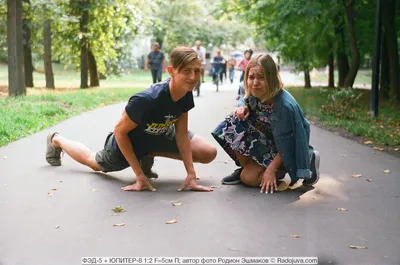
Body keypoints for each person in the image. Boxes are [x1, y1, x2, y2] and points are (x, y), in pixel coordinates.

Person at [46, 46, 217, 192]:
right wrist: (139, 176)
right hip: (129, 141)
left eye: (196, 71)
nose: (193, 77)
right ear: (171, 71)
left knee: (208, 152)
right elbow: (120, 132)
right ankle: (56, 139)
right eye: (186, 71)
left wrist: (191, 174)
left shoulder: (185, 92)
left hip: (158, 133)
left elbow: (181, 135)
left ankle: (148, 154)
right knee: (94, 163)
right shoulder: (146, 100)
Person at [211, 54, 320, 194]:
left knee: (248, 178)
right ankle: (249, 167)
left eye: (261, 77)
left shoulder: (285, 106)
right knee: (234, 120)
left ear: (272, 78)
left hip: (286, 147)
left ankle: (308, 158)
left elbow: (289, 141)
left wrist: (271, 169)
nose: (255, 82)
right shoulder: (251, 91)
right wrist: (242, 106)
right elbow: (244, 95)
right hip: (268, 142)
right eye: (251, 77)